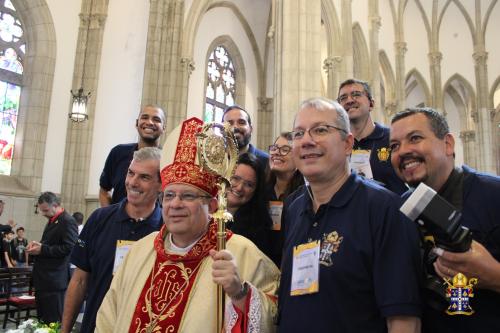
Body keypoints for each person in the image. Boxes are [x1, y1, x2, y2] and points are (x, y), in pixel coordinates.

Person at [96, 117, 279, 333]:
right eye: (169, 195)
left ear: (211, 206)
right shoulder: (140, 251)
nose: (175, 204)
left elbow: (275, 314)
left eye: (188, 196)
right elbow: (108, 316)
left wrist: (240, 294)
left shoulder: (241, 253)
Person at [278, 97, 421, 332]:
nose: (306, 141)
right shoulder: (294, 208)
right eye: (298, 133)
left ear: (347, 144)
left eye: (320, 130)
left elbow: (403, 319)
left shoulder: (384, 209)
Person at [389, 107, 500, 333]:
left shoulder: (493, 194)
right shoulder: (400, 208)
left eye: (415, 138)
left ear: (448, 144)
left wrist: (493, 275)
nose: (403, 152)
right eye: (394, 146)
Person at [61, 147, 163, 333]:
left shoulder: (167, 229)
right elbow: (79, 281)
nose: (132, 182)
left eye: (144, 177)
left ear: (161, 184)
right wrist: (65, 330)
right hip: (94, 326)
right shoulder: (99, 219)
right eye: (130, 173)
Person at [337, 78, 407, 194]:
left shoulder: (393, 138)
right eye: (343, 98)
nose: (349, 100)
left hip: (391, 210)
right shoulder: (338, 145)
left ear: (371, 104)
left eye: (356, 95)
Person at [26, 191, 78, 324]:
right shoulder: (52, 220)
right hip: (45, 279)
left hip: (54, 280)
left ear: (55, 205)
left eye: (45, 210)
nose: (43, 213)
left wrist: (42, 249)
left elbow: (69, 248)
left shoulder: (67, 221)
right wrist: (38, 245)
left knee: (54, 322)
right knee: (44, 321)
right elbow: (52, 244)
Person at [99, 104, 166, 207]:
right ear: (136, 123)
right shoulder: (118, 153)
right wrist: (110, 217)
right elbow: (104, 191)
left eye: (156, 119)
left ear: (163, 128)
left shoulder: (168, 160)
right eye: (144, 117)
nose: (149, 122)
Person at [226, 153, 276, 264]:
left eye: (249, 185)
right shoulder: (206, 213)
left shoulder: (259, 230)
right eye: (235, 178)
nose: (239, 188)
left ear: (255, 191)